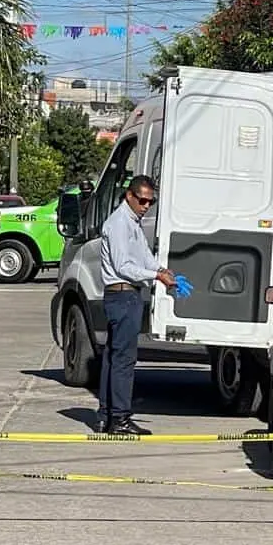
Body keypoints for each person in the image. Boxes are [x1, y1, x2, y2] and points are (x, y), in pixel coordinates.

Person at [97, 175, 179, 435]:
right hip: (122, 295)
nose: (146, 206)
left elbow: (143, 256)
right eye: (142, 200)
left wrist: (162, 271)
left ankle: (106, 415)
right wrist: (156, 276)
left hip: (127, 295)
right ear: (129, 196)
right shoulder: (119, 223)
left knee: (113, 357)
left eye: (150, 202)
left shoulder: (132, 222)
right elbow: (123, 266)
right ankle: (119, 418)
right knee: (123, 359)